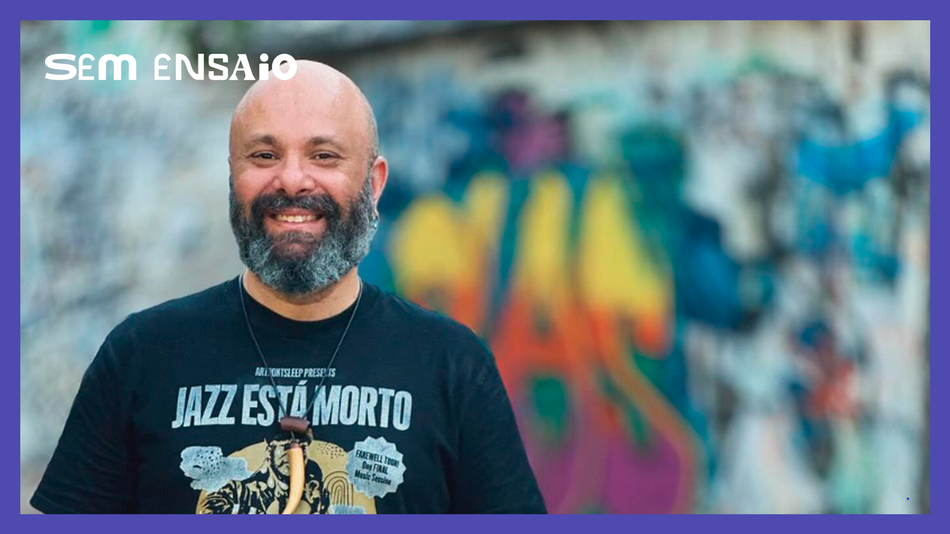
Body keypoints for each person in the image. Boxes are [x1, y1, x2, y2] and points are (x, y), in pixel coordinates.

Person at [30, 60, 546, 514]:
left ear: (374, 183)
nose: (293, 180)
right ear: (233, 177)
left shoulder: (453, 364)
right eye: (263, 155)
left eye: (324, 156)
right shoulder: (140, 355)